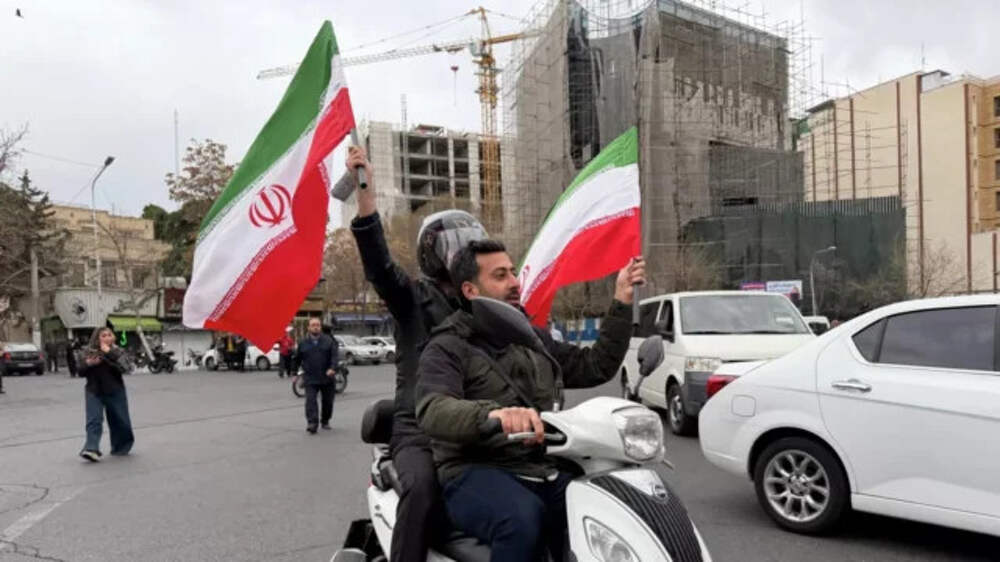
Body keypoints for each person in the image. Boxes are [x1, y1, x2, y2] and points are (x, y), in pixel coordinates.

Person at [416, 240, 645, 561]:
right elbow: (434, 409)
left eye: (513, 272)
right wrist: (495, 415)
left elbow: (595, 366)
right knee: (521, 521)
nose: (514, 282)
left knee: (606, 506)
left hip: (539, 464)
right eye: (500, 276)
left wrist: (621, 299)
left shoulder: (532, 339)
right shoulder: (447, 346)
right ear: (470, 290)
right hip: (473, 470)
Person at [346, 146, 488, 562]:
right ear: (431, 253)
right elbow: (379, 266)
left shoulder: (484, 306)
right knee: (422, 489)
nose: (461, 256)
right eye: (453, 247)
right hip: (418, 430)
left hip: (473, 426)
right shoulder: (413, 299)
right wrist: (365, 193)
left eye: (469, 247)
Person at [79, 327, 135, 462]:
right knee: (94, 420)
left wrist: (109, 353)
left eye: (109, 335)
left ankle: (121, 446)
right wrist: (89, 363)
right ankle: (91, 448)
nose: (107, 338)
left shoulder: (118, 351)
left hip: (115, 390)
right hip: (94, 390)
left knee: (120, 420)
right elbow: (80, 371)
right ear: (97, 338)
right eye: (103, 336)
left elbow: (128, 368)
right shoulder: (88, 352)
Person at [296, 317, 339, 433]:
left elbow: (335, 357)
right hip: (310, 377)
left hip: (327, 377)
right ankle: (312, 423)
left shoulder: (329, 341)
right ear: (309, 327)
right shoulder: (303, 343)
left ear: (320, 327)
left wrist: (332, 368)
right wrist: (294, 372)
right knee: (310, 401)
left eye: (318, 325)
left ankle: (325, 420)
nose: (315, 327)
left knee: (328, 402)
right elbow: (297, 359)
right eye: (313, 325)